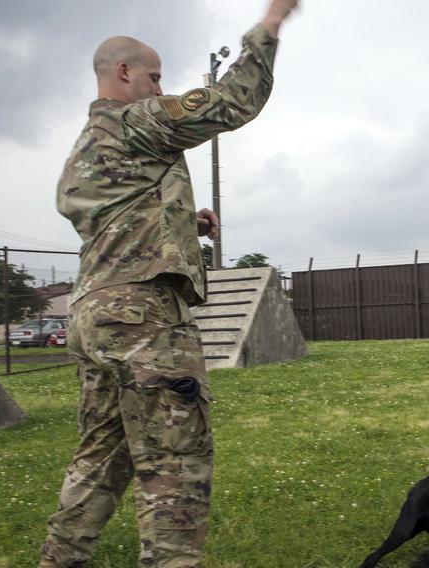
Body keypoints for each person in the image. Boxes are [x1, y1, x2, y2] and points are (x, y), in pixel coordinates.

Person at [39, 1, 298, 566]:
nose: (161, 86)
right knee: (175, 459)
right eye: (155, 76)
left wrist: (184, 219)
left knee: (101, 455)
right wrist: (269, 26)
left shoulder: (87, 147)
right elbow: (231, 103)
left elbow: (114, 214)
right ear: (123, 73)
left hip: (94, 314)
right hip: (142, 315)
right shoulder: (136, 121)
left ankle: (60, 558)